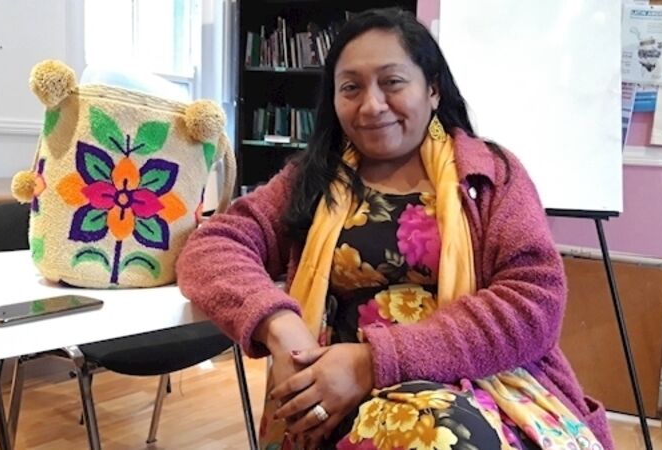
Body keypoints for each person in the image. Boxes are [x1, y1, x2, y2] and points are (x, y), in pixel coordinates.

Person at [177, 8, 613, 450]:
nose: (372, 105)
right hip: (339, 397)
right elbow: (214, 246)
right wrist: (280, 324)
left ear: (433, 89)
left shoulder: (490, 175)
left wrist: (374, 361)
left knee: (442, 435)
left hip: (486, 386)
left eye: (392, 82)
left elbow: (533, 301)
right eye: (351, 87)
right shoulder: (312, 180)